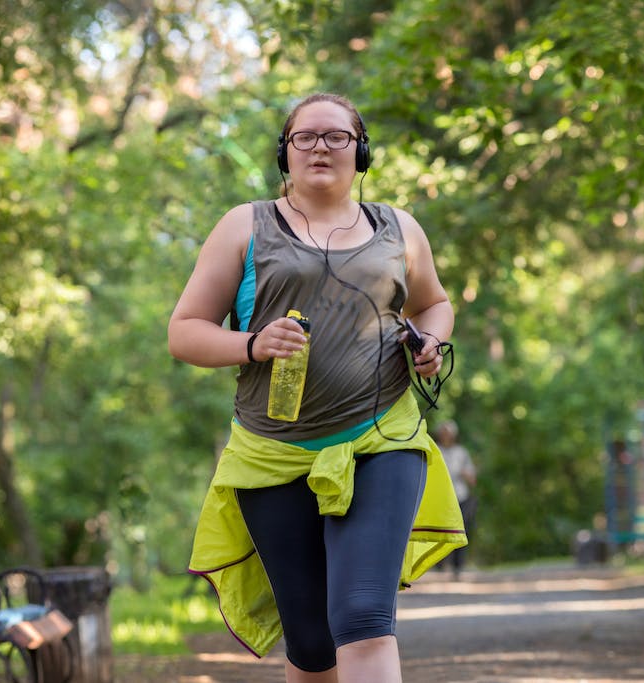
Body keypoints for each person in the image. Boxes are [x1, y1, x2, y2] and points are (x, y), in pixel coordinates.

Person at [168, 92, 467, 683]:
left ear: (362, 152)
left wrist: (430, 344)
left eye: (337, 136)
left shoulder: (398, 228)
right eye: (305, 137)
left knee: (362, 615)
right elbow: (184, 332)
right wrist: (252, 343)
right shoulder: (244, 226)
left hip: (381, 440)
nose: (321, 147)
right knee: (309, 641)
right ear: (286, 151)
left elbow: (435, 303)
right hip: (271, 453)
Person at [435, 420, 477, 579]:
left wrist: (466, 474)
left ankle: (458, 567)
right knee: (440, 531)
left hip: (460, 496)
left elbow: (472, 478)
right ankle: (439, 565)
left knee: (461, 531)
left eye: (449, 433)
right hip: (441, 497)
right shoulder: (436, 450)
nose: (446, 436)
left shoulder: (461, 452)